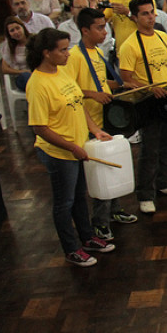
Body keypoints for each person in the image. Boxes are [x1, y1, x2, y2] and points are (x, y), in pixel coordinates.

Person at [26, 28, 116, 267]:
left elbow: (78, 102)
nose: (68, 54)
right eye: (63, 50)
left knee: (79, 197)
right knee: (64, 203)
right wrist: (71, 147)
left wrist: (94, 129)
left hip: (76, 147)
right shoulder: (37, 84)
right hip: (59, 153)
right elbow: (39, 127)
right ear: (46, 53)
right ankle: (71, 248)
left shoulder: (62, 72)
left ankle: (87, 237)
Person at [65, 7, 138, 240]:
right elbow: (69, 90)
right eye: (99, 28)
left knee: (112, 168)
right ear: (85, 30)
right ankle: (99, 222)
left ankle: (114, 210)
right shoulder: (74, 57)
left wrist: (119, 85)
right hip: (89, 122)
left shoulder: (96, 51)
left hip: (104, 118)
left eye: (104, 27)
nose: (105, 32)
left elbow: (100, 81)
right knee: (100, 174)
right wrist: (92, 94)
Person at [119, 0, 167, 214]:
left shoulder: (161, 36)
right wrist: (150, 88)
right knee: (150, 148)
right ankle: (145, 194)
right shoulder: (129, 45)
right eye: (145, 14)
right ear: (134, 17)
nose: (151, 17)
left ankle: (165, 182)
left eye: (152, 12)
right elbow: (126, 80)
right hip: (148, 101)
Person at [0, 17, 32, 92]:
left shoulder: (34, 39)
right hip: (22, 76)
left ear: (23, 27)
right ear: (9, 34)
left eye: (18, 28)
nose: (16, 32)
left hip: (38, 73)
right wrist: (22, 71)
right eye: (12, 31)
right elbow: (4, 69)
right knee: (28, 79)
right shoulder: (9, 46)